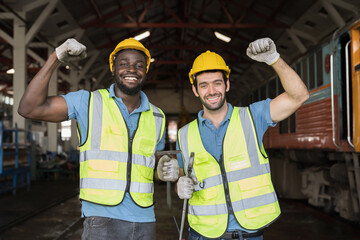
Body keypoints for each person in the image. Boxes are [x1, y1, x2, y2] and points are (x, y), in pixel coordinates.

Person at [18, 38, 178, 240]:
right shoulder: (88, 102)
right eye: (124, 64)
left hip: (145, 219)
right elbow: (29, 108)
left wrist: (164, 168)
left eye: (139, 65)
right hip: (101, 220)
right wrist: (55, 58)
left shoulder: (158, 116)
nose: (132, 69)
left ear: (146, 71)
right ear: (113, 68)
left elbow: (151, 163)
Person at [174, 38, 309, 239]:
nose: (211, 91)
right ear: (195, 90)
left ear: (227, 85)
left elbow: (299, 96)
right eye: (204, 85)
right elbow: (183, 173)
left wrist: (274, 59)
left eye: (217, 83)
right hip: (203, 234)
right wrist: (179, 182)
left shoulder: (253, 117)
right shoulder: (184, 134)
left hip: (249, 234)